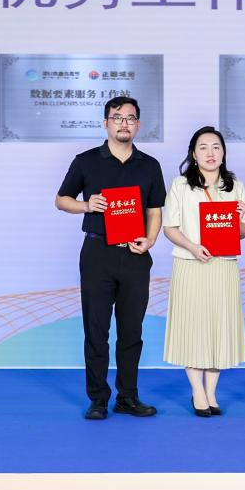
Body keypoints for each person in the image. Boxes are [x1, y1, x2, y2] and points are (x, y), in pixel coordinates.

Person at [55, 96, 164, 420]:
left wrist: (150, 240)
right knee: (96, 329)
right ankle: (98, 399)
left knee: (131, 331)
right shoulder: (86, 161)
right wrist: (87, 205)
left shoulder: (150, 165)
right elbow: (61, 199)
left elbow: (154, 210)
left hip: (134, 255)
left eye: (130, 118)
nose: (123, 123)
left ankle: (128, 397)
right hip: (97, 253)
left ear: (138, 125)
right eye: (117, 117)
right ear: (106, 123)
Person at [162, 126, 245, 417]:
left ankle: (211, 391)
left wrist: (239, 221)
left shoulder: (235, 185)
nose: (210, 153)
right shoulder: (180, 185)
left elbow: (243, 232)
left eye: (216, 147)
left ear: (224, 152)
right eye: (203, 147)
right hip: (191, 264)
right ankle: (197, 391)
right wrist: (192, 247)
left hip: (223, 265)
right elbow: (169, 227)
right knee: (193, 327)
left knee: (218, 327)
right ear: (193, 153)